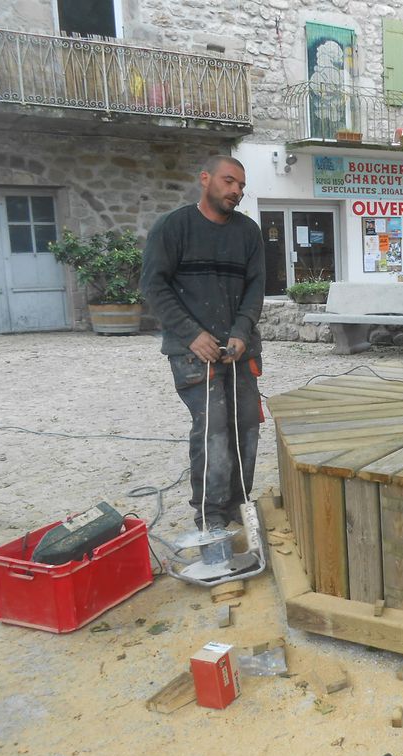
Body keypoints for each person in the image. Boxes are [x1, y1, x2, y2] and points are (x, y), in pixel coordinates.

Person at [141, 155, 266, 530]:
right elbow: (154, 285)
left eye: (241, 186)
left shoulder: (248, 232)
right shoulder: (173, 228)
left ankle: (238, 504)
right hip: (192, 354)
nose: (236, 191)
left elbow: (256, 288)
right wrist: (192, 334)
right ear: (205, 179)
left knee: (246, 425)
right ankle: (210, 513)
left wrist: (242, 332)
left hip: (240, 351)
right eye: (229, 182)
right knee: (213, 429)